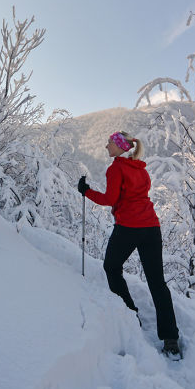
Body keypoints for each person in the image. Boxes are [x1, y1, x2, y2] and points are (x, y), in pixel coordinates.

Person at [77, 131, 182, 358]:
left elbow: (110, 199)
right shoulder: (141, 169)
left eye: (109, 143)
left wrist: (86, 191)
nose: (106, 146)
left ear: (119, 146)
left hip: (128, 227)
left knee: (111, 267)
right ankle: (170, 338)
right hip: (151, 227)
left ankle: (130, 313)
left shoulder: (116, 168)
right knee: (157, 282)